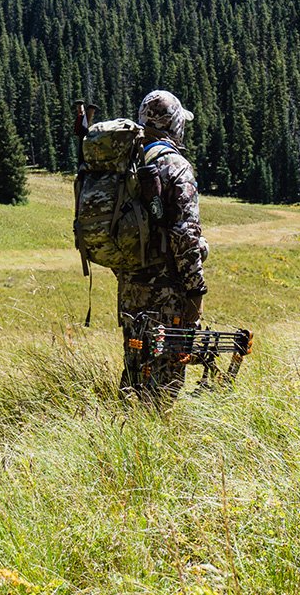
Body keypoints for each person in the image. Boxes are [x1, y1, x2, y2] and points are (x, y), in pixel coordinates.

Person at [118, 90, 209, 402]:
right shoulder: (175, 166)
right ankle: (153, 443)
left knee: (134, 373)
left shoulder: (127, 163)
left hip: (130, 291)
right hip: (167, 296)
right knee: (163, 387)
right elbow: (186, 238)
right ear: (173, 124)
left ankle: (121, 438)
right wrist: (195, 295)